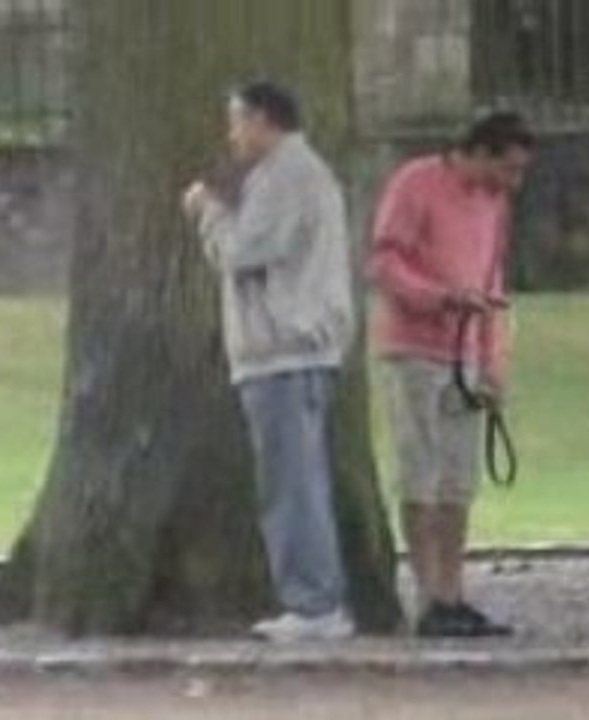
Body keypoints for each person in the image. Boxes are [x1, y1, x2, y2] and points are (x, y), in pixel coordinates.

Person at [182, 81, 356, 643]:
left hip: (285, 350)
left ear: (262, 120)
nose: (231, 135)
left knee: (291, 483)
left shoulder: (287, 175)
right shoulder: (292, 175)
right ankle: (314, 597)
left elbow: (245, 251)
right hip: (290, 348)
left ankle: (314, 603)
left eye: (236, 122)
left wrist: (209, 211)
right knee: (295, 478)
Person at [369, 111, 535, 637]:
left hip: (466, 352)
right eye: (507, 168)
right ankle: (428, 595)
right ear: (481, 152)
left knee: (459, 480)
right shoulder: (416, 184)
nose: (513, 183)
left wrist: (493, 361)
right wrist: (438, 298)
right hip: (415, 349)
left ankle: (452, 590)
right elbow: (384, 263)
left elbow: (492, 284)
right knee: (421, 473)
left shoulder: (494, 204)